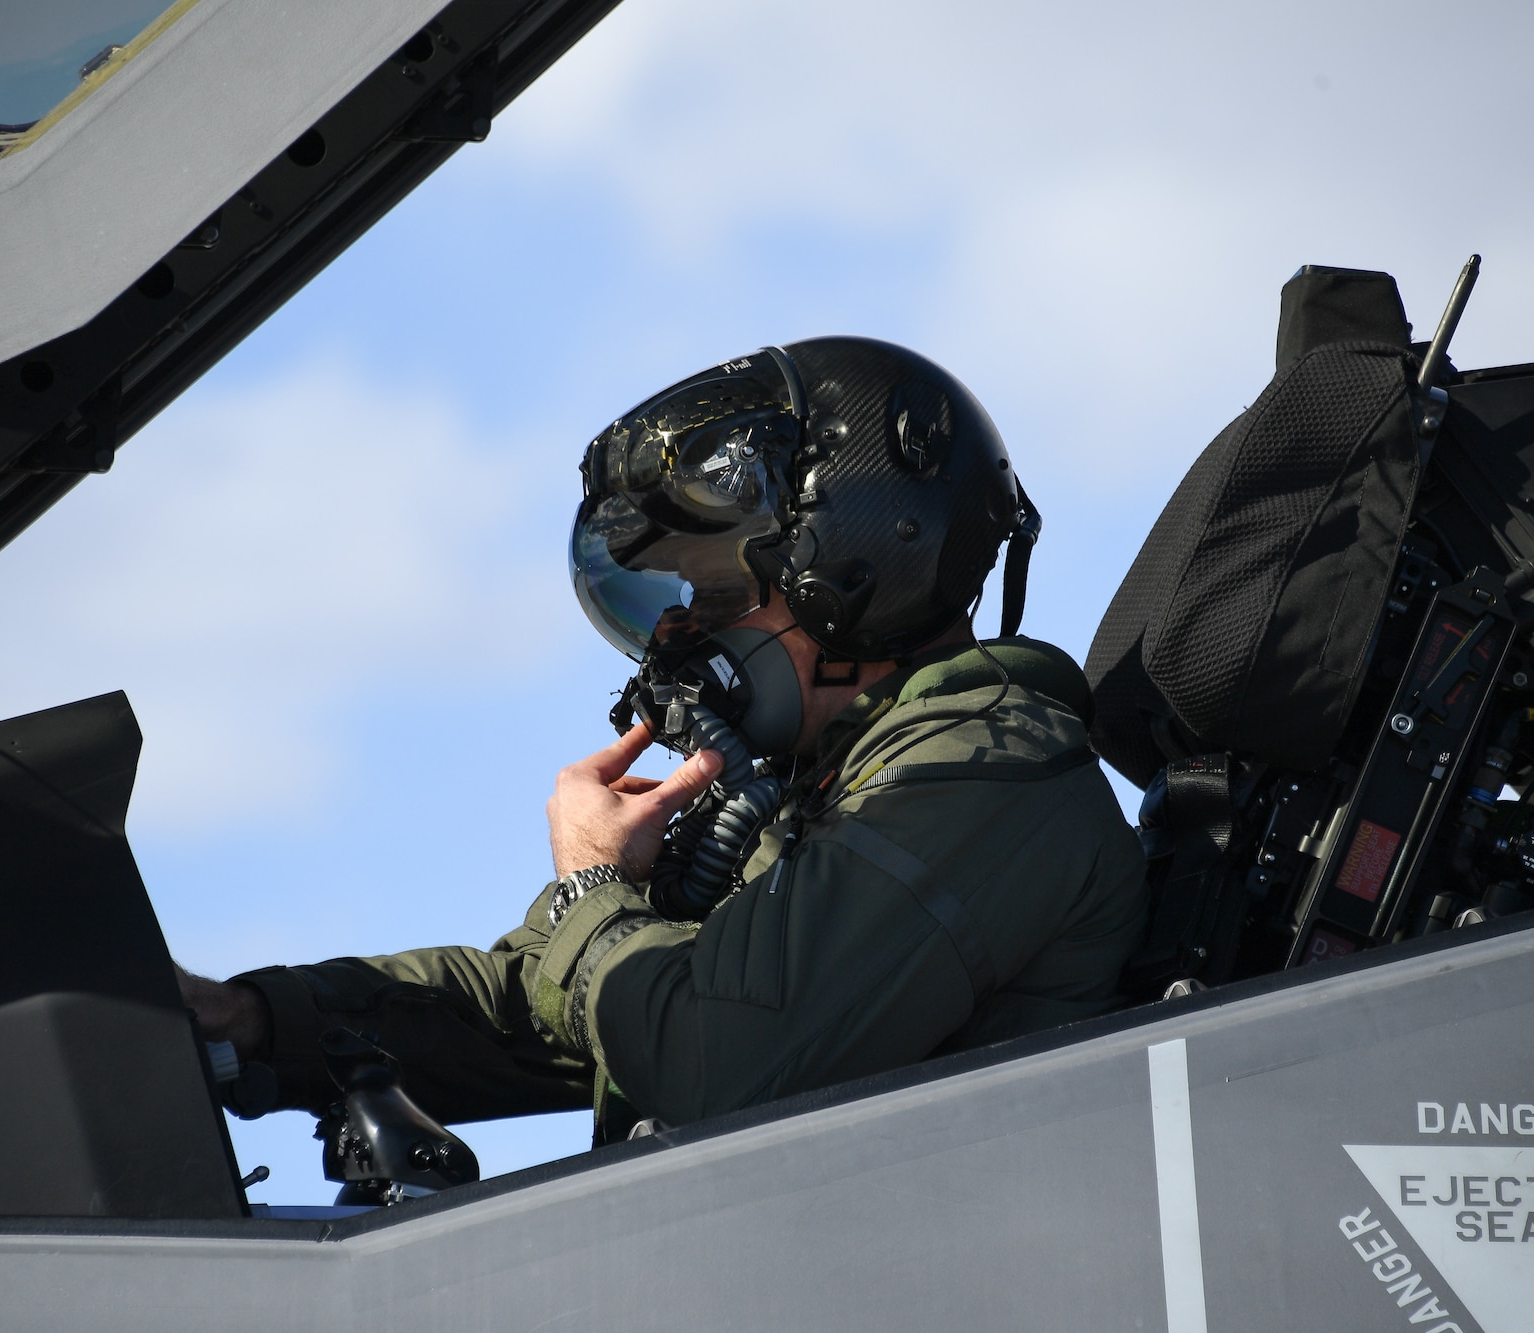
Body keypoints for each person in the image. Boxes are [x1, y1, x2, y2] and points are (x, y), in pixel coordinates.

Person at [179, 336, 1147, 1142]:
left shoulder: (985, 776)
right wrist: (258, 1019)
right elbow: (534, 1004)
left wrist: (594, 893)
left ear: (856, 575)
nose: (684, 639)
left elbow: (711, 1058)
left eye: (720, 596)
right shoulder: (814, 800)